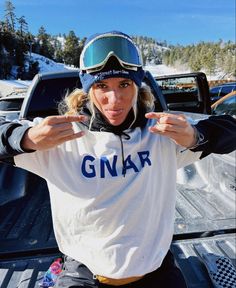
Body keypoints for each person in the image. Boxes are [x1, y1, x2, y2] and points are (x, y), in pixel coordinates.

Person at [0, 31, 236, 288]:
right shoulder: (60, 137)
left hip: (155, 271)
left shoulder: (161, 133)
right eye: (102, 86)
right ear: (88, 90)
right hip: (84, 274)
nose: (115, 100)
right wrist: (24, 138)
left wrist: (197, 136)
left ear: (138, 86)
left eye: (124, 85)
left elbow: (230, 129)